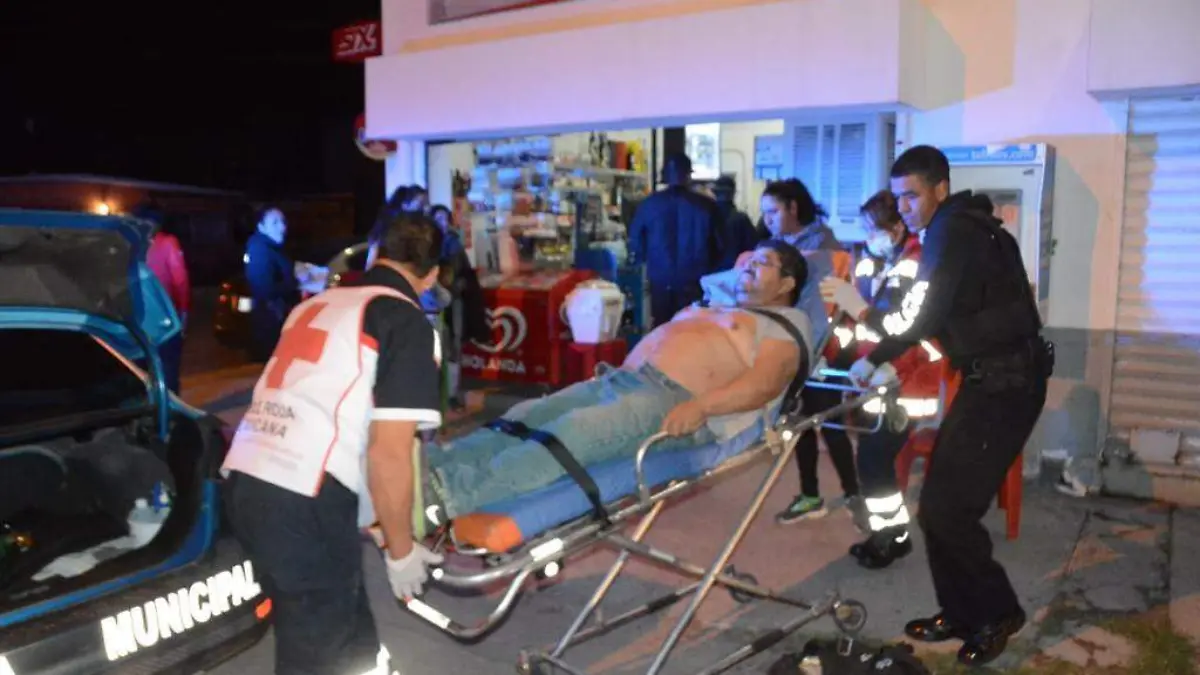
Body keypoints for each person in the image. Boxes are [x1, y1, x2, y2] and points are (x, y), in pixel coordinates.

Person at [820, 145, 1053, 667]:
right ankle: (960, 611)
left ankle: (999, 613)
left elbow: (920, 315)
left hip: (1008, 385)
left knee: (950, 510)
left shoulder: (954, 231)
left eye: (911, 195)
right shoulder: (958, 229)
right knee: (936, 509)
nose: (902, 207)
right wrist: (878, 355)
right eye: (897, 197)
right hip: (991, 380)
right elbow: (937, 316)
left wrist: (872, 346)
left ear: (939, 190)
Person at [425, 240, 812, 519]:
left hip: (674, 401)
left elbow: (766, 383)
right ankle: (431, 466)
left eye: (761, 263)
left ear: (787, 284)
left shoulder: (786, 322)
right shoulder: (715, 307)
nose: (746, 267)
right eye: (746, 261)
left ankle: (447, 494)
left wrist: (701, 406)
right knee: (527, 415)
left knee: (573, 432)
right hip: (620, 381)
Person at [221, 211, 447, 675]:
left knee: (345, 631)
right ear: (431, 276)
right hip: (303, 498)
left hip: (247, 477)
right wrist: (402, 552)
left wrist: (378, 525)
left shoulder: (315, 305)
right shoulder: (403, 322)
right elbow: (388, 453)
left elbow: (335, 420)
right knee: (318, 649)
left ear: (375, 254)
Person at [820, 190, 943, 569]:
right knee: (873, 462)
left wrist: (878, 364)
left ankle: (891, 538)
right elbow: (862, 327)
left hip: (904, 384)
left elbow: (904, 331)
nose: (868, 237)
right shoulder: (883, 264)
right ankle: (891, 534)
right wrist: (836, 359)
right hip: (879, 378)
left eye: (872, 229)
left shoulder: (916, 265)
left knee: (874, 462)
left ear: (897, 228)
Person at [759, 179, 863, 526]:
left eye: (773, 211)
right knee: (800, 422)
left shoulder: (824, 250)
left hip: (821, 351)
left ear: (793, 208)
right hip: (794, 346)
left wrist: (811, 354)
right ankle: (811, 494)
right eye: (764, 213)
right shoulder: (778, 247)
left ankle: (853, 493)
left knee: (829, 423)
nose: (767, 219)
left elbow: (820, 311)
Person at [628, 152, 724, 327]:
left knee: (663, 330)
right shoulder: (707, 206)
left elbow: (636, 245)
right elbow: (721, 247)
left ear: (664, 175)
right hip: (696, 282)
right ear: (688, 175)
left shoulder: (648, 205)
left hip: (661, 282)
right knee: (693, 329)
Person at [429, 204, 489, 408]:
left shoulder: (453, 244)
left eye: (444, 218)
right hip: (431, 304)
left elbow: (464, 274)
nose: (442, 223)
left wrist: (455, 286)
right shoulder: (426, 245)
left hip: (453, 302)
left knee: (453, 346)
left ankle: (451, 393)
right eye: (437, 218)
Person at [135, 203, 190, 395]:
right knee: (168, 368)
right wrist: (184, 311)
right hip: (164, 317)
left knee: (140, 369)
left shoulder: (126, 244)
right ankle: (170, 405)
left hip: (134, 320)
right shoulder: (167, 242)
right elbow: (180, 280)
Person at [244, 207, 300, 363]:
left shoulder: (273, 247)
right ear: (261, 226)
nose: (282, 227)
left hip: (276, 317)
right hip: (271, 321)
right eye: (275, 223)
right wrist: (295, 282)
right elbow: (264, 289)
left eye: (283, 222)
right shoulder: (259, 250)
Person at [712, 175, 763, 269]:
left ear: (714, 193)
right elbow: (753, 247)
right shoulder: (741, 218)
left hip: (709, 272)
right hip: (735, 270)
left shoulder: (705, 217)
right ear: (733, 193)